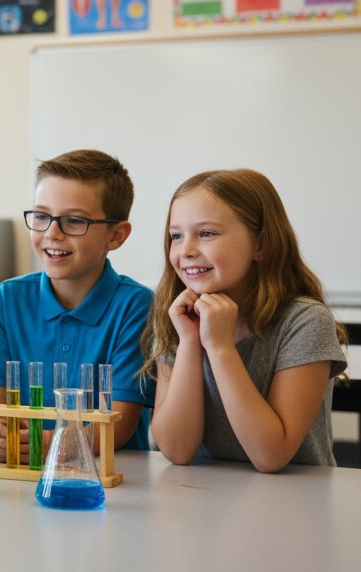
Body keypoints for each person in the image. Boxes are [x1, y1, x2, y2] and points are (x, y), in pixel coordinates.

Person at [143, 169, 348, 471]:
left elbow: (271, 456)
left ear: (261, 245)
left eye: (207, 233)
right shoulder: (178, 317)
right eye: (176, 236)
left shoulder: (305, 321)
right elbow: (175, 449)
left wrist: (221, 347)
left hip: (295, 502)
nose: (185, 250)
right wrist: (189, 342)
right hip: (198, 498)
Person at [0, 150, 153, 463]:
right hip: (20, 472)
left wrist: (55, 443)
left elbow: (122, 422)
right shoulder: (7, 300)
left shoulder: (136, 306)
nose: (52, 233)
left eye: (74, 221)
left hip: (110, 480)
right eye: (41, 216)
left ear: (116, 235)